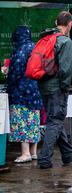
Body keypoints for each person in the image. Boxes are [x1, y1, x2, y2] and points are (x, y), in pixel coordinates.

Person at [37, 11, 72, 169]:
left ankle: (67, 153)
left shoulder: (46, 38)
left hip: (43, 86)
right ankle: (44, 158)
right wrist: (65, 87)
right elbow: (65, 69)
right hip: (57, 88)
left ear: (57, 22)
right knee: (54, 121)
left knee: (55, 119)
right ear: (69, 24)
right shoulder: (65, 41)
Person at [7, 26, 43, 163]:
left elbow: (15, 72)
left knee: (22, 121)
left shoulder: (20, 50)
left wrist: (8, 78)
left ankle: (25, 153)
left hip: (22, 92)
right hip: (36, 90)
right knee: (33, 121)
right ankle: (33, 152)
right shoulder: (35, 47)